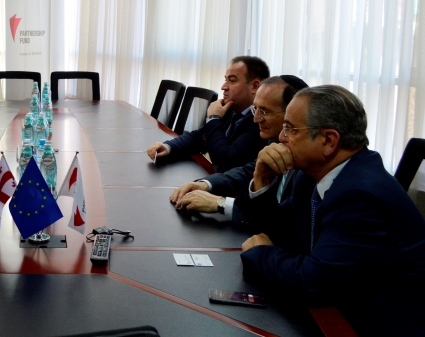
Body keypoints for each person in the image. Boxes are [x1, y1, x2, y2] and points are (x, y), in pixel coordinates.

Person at [239, 85, 425, 335]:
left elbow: (313, 282)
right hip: (337, 307)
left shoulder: (361, 194)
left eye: (290, 129)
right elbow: (277, 231)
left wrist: (260, 253)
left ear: (328, 141)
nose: (281, 138)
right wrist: (262, 178)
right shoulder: (312, 176)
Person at [169, 75, 308, 221]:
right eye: (255, 109)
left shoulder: (308, 160)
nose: (256, 119)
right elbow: (248, 172)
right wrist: (206, 184)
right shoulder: (275, 139)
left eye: (265, 111)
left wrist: (221, 203)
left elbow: (285, 221)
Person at [147, 56, 269, 172]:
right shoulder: (230, 109)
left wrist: (214, 118)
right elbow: (198, 138)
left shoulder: (260, 122)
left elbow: (224, 161)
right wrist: (168, 147)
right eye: (225, 80)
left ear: (254, 86)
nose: (223, 87)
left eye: (232, 81)